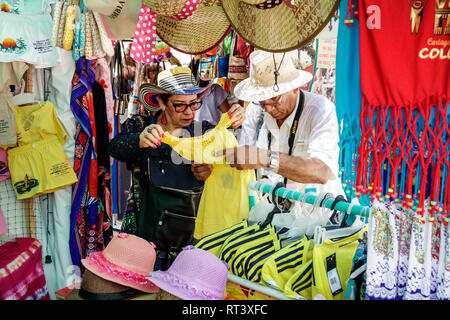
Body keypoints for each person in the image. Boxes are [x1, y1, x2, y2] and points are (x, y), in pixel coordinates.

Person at [108, 66, 244, 268]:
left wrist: (211, 171)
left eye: (194, 104)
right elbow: (115, 147)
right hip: (146, 232)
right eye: (180, 105)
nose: (189, 112)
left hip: (189, 236)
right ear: (162, 103)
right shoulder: (142, 124)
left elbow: (229, 166)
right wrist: (139, 140)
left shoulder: (204, 132)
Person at [222, 50, 345, 200]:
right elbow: (242, 160)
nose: (268, 108)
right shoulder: (255, 111)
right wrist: (212, 167)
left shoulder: (320, 110)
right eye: (262, 100)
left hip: (318, 215)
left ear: (294, 87)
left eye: (274, 99)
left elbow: (322, 171)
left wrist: (265, 158)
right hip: (274, 213)